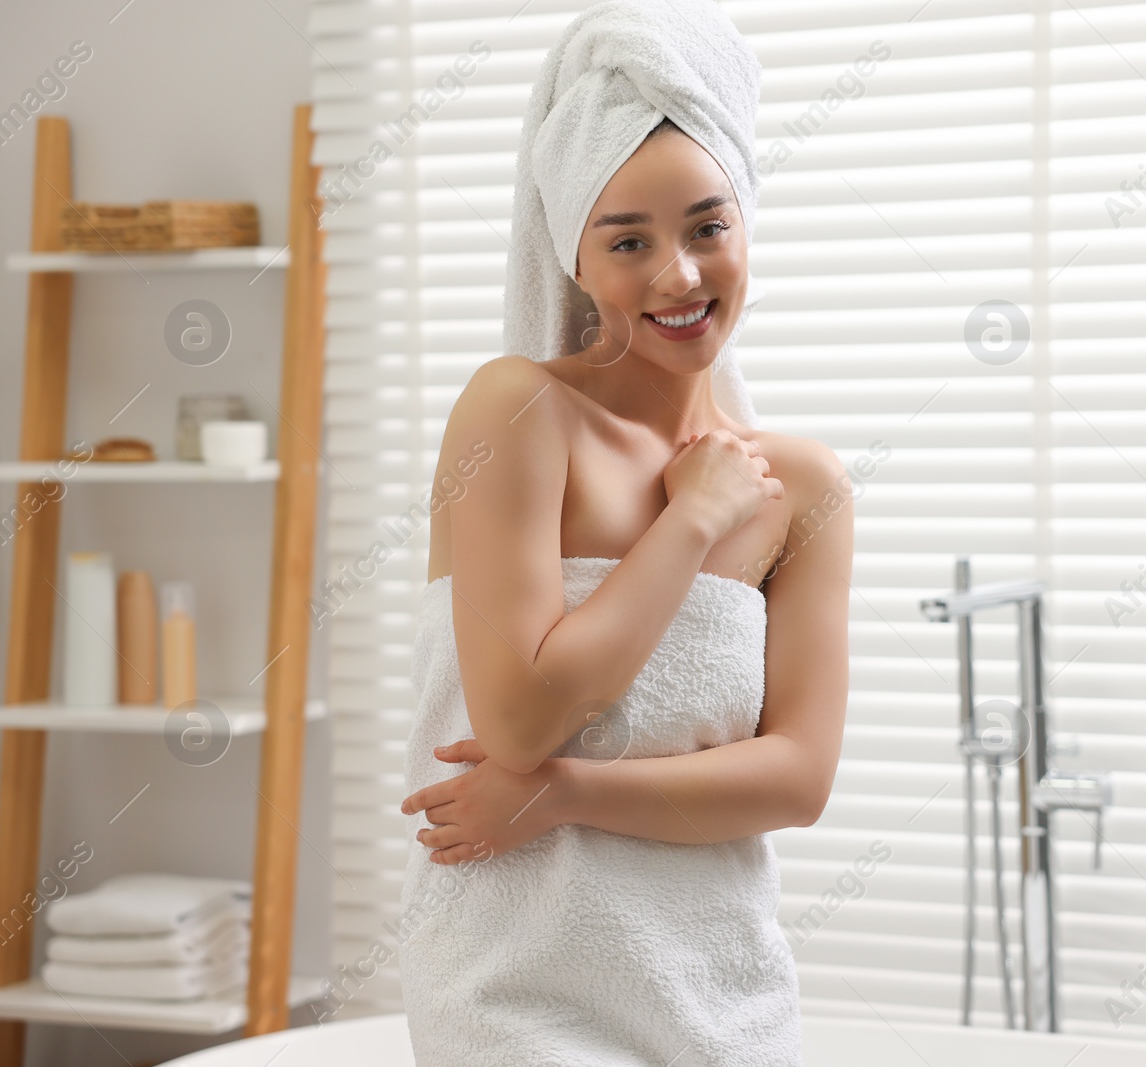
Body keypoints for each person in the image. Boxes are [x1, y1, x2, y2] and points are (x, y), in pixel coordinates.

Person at [394, 2, 850, 1063]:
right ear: (575, 260)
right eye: (627, 240)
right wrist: (691, 520)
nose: (678, 276)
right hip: (512, 990)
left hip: (722, 997)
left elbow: (795, 775)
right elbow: (520, 713)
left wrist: (563, 792)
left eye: (707, 225)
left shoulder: (805, 484)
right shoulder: (517, 412)